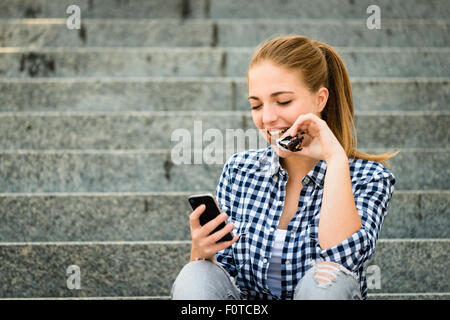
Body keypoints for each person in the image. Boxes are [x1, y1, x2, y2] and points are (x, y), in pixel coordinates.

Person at [171, 35, 398, 300]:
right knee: (195, 273)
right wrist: (200, 252)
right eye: (256, 105)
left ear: (320, 99)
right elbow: (218, 275)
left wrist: (335, 158)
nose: (267, 118)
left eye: (283, 102)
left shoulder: (369, 177)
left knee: (326, 279)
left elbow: (342, 260)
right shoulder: (240, 170)